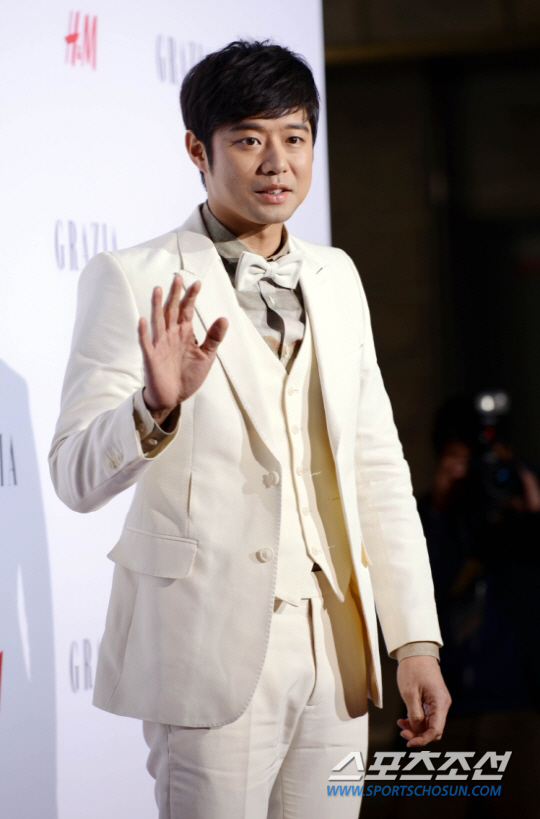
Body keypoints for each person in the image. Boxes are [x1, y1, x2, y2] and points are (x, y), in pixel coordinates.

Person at [49, 40, 450, 819]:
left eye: (295, 137)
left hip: (336, 650)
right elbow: (72, 474)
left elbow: (377, 468)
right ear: (198, 149)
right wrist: (153, 408)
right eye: (248, 139)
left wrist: (414, 640)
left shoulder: (337, 276)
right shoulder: (132, 278)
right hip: (207, 650)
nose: (277, 162)